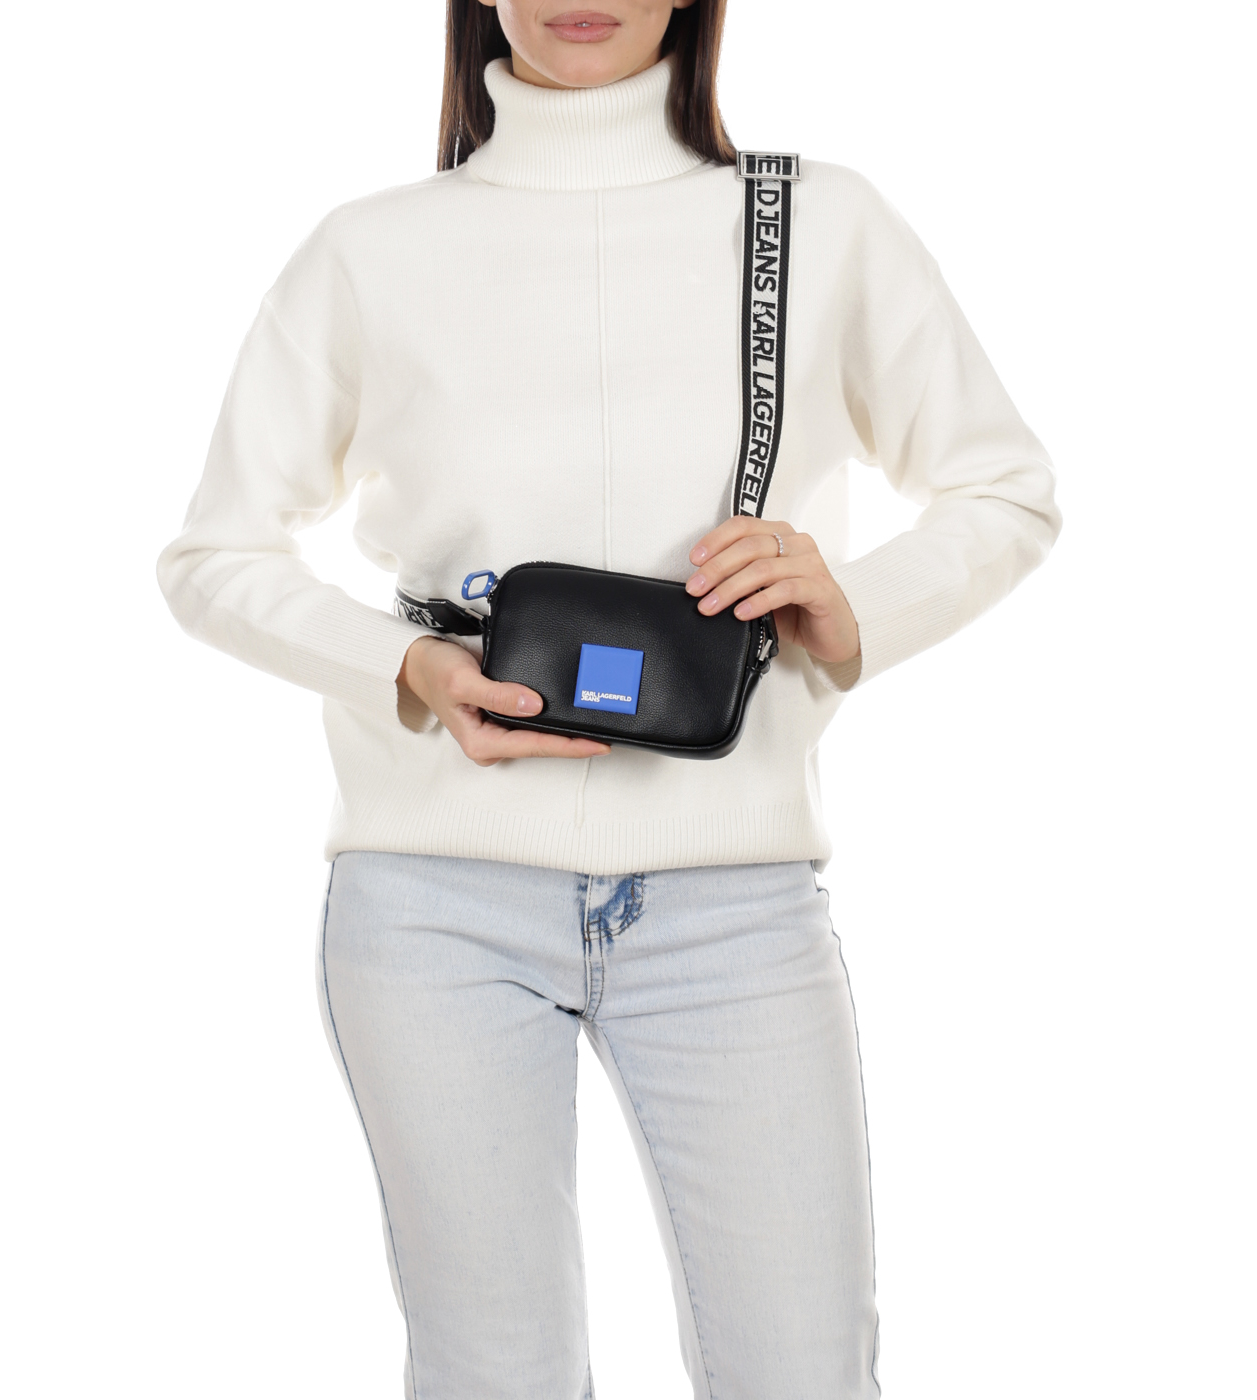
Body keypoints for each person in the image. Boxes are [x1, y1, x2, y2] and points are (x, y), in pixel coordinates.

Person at [157, 2, 1060, 1395]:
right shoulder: (369, 249)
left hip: (733, 899)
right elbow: (214, 555)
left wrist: (851, 603)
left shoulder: (819, 223)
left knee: (802, 1370)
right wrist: (405, 669)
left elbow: (1005, 489)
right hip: (434, 900)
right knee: (495, 1372)